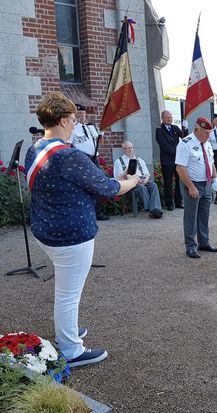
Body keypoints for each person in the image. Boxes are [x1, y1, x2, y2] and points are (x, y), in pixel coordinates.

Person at [24, 92, 138, 367]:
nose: (75, 125)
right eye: (74, 120)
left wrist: (112, 179)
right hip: (70, 235)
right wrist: (132, 181)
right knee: (68, 295)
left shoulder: (35, 148)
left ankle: (69, 330)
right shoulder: (69, 155)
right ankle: (71, 350)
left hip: (45, 229)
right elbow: (109, 189)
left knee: (66, 291)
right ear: (63, 120)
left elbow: (81, 183)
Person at [175, 117, 217, 259]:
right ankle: (190, 246)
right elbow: (180, 168)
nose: (208, 136)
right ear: (197, 130)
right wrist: (191, 187)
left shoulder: (207, 143)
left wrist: (214, 179)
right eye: (205, 133)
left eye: (209, 133)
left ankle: (204, 242)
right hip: (193, 183)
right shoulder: (185, 143)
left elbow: (211, 162)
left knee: (204, 215)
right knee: (191, 216)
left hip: (206, 182)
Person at [67, 103, 109, 221]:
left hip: (95, 158)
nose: (82, 116)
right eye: (79, 113)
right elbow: (68, 146)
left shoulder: (90, 127)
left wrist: (101, 134)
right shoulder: (72, 128)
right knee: (85, 185)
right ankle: (86, 212)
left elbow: (100, 142)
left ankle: (98, 212)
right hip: (83, 158)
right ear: (74, 115)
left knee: (98, 183)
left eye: (84, 113)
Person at [113, 141, 163, 218]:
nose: (130, 150)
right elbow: (118, 178)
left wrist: (145, 180)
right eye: (127, 148)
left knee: (153, 185)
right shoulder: (119, 161)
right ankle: (151, 210)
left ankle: (156, 208)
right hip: (129, 182)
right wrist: (126, 171)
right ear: (123, 150)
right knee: (141, 187)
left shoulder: (139, 160)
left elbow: (147, 173)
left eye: (131, 148)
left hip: (142, 179)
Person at [155, 110, 184, 210]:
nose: (169, 119)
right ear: (162, 118)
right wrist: (177, 152)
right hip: (167, 161)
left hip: (177, 161)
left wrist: (185, 128)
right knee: (168, 182)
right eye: (167, 117)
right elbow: (164, 145)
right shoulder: (159, 130)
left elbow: (184, 136)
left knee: (179, 181)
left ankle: (178, 202)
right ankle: (169, 203)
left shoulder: (175, 128)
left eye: (171, 117)